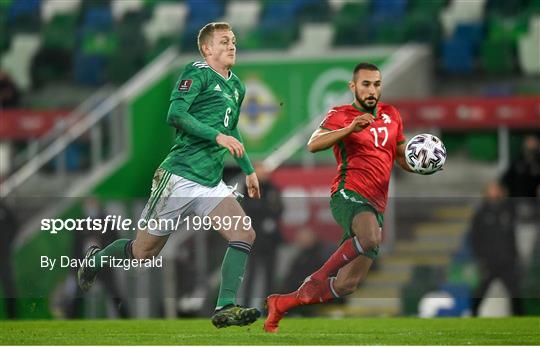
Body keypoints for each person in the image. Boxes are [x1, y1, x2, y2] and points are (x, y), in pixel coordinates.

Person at [78, 22, 262, 328]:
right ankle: (96, 259)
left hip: (210, 183)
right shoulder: (197, 72)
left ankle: (225, 307)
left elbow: (231, 130)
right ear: (207, 49)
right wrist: (217, 137)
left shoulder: (236, 86)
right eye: (224, 41)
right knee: (143, 252)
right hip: (178, 176)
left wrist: (249, 171)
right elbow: (175, 115)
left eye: (233, 41)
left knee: (244, 233)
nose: (232, 46)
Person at [264, 62, 434, 333]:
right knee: (370, 238)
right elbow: (313, 144)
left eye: (376, 84)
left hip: (376, 205)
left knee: (346, 285)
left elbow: (401, 157)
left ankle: (282, 304)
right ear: (353, 87)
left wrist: (422, 165)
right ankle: (317, 278)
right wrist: (350, 128)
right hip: (348, 193)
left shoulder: (392, 115)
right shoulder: (341, 114)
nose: (372, 90)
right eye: (366, 84)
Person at [469, 181, 523, 316]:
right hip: (489, 261)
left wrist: (515, 255)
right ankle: (472, 314)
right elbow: (475, 238)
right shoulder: (480, 214)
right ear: (486, 193)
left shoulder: (508, 210)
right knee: (481, 291)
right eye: (492, 189)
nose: (495, 192)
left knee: (515, 292)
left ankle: (520, 317)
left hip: (507, 260)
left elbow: (512, 237)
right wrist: (480, 257)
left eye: (497, 189)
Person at [242, 163, 283, 308]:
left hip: (270, 241)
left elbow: (279, 207)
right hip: (253, 239)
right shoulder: (248, 188)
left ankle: (269, 308)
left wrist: (270, 219)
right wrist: (266, 214)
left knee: (270, 277)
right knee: (250, 275)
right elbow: (249, 208)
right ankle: (246, 307)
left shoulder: (272, 188)